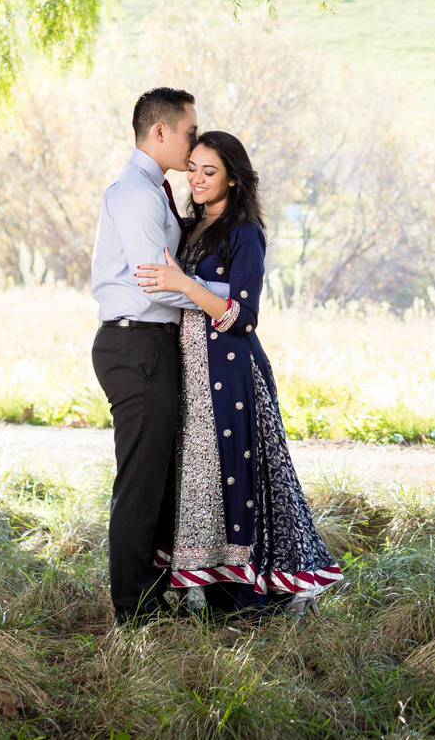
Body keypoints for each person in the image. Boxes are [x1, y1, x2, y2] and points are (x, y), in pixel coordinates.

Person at [135, 131, 342, 619]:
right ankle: (196, 587)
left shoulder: (243, 232)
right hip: (189, 371)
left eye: (211, 171)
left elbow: (243, 316)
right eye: (193, 168)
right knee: (195, 479)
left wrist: (185, 283)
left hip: (229, 372)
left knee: (234, 476)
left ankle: (246, 596)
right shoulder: (189, 227)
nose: (198, 179)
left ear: (232, 177)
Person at [88, 87, 198, 625]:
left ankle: (152, 598)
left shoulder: (152, 190)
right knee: (139, 481)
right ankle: (134, 612)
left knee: (155, 478)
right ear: (161, 131)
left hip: (148, 343)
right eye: (189, 132)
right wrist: (216, 296)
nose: (194, 142)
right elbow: (156, 281)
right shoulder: (135, 193)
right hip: (137, 344)